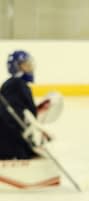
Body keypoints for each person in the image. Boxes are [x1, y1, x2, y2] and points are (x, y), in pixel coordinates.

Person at [0, 50, 63, 189]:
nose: (30, 68)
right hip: (8, 143)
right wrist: (26, 135)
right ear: (16, 67)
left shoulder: (17, 85)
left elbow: (21, 113)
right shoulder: (16, 85)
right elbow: (10, 118)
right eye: (25, 65)